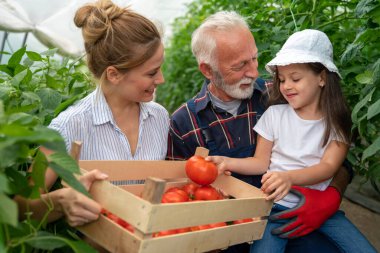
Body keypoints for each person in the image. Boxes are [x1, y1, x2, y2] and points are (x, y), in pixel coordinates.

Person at [167, 11, 352, 253]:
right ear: (208, 70)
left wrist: (331, 196)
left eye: (254, 59)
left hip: (298, 221)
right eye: (241, 65)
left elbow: (337, 162)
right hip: (226, 242)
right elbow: (179, 197)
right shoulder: (185, 123)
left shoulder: (278, 95)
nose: (254, 72)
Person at [207, 29, 376, 253]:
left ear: (322, 78)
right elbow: (259, 163)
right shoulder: (275, 115)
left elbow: (328, 167)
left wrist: (289, 177)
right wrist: (227, 162)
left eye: (295, 78)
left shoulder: (337, 122)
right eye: (282, 79)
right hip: (275, 208)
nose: (286, 86)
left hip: (319, 207)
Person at [16, 0, 169, 228]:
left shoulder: (159, 118)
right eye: (152, 72)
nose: (161, 79)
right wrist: (59, 202)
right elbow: (22, 207)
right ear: (114, 74)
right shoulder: (69, 126)